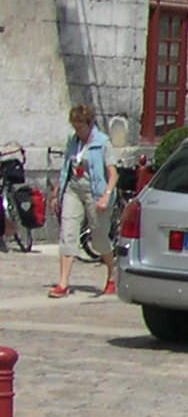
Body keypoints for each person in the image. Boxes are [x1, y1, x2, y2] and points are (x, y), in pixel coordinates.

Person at [50, 104, 116, 298]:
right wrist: (57, 192)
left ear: (89, 124)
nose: (77, 130)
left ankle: (112, 274)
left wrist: (106, 195)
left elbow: (113, 174)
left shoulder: (102, 143)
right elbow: (66, 169)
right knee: (67, 233)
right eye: (74, 126)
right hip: (73, 189)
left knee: (99, 239)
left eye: (80, 126)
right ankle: (63, 283)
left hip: (95, 192)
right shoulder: (73, 141)